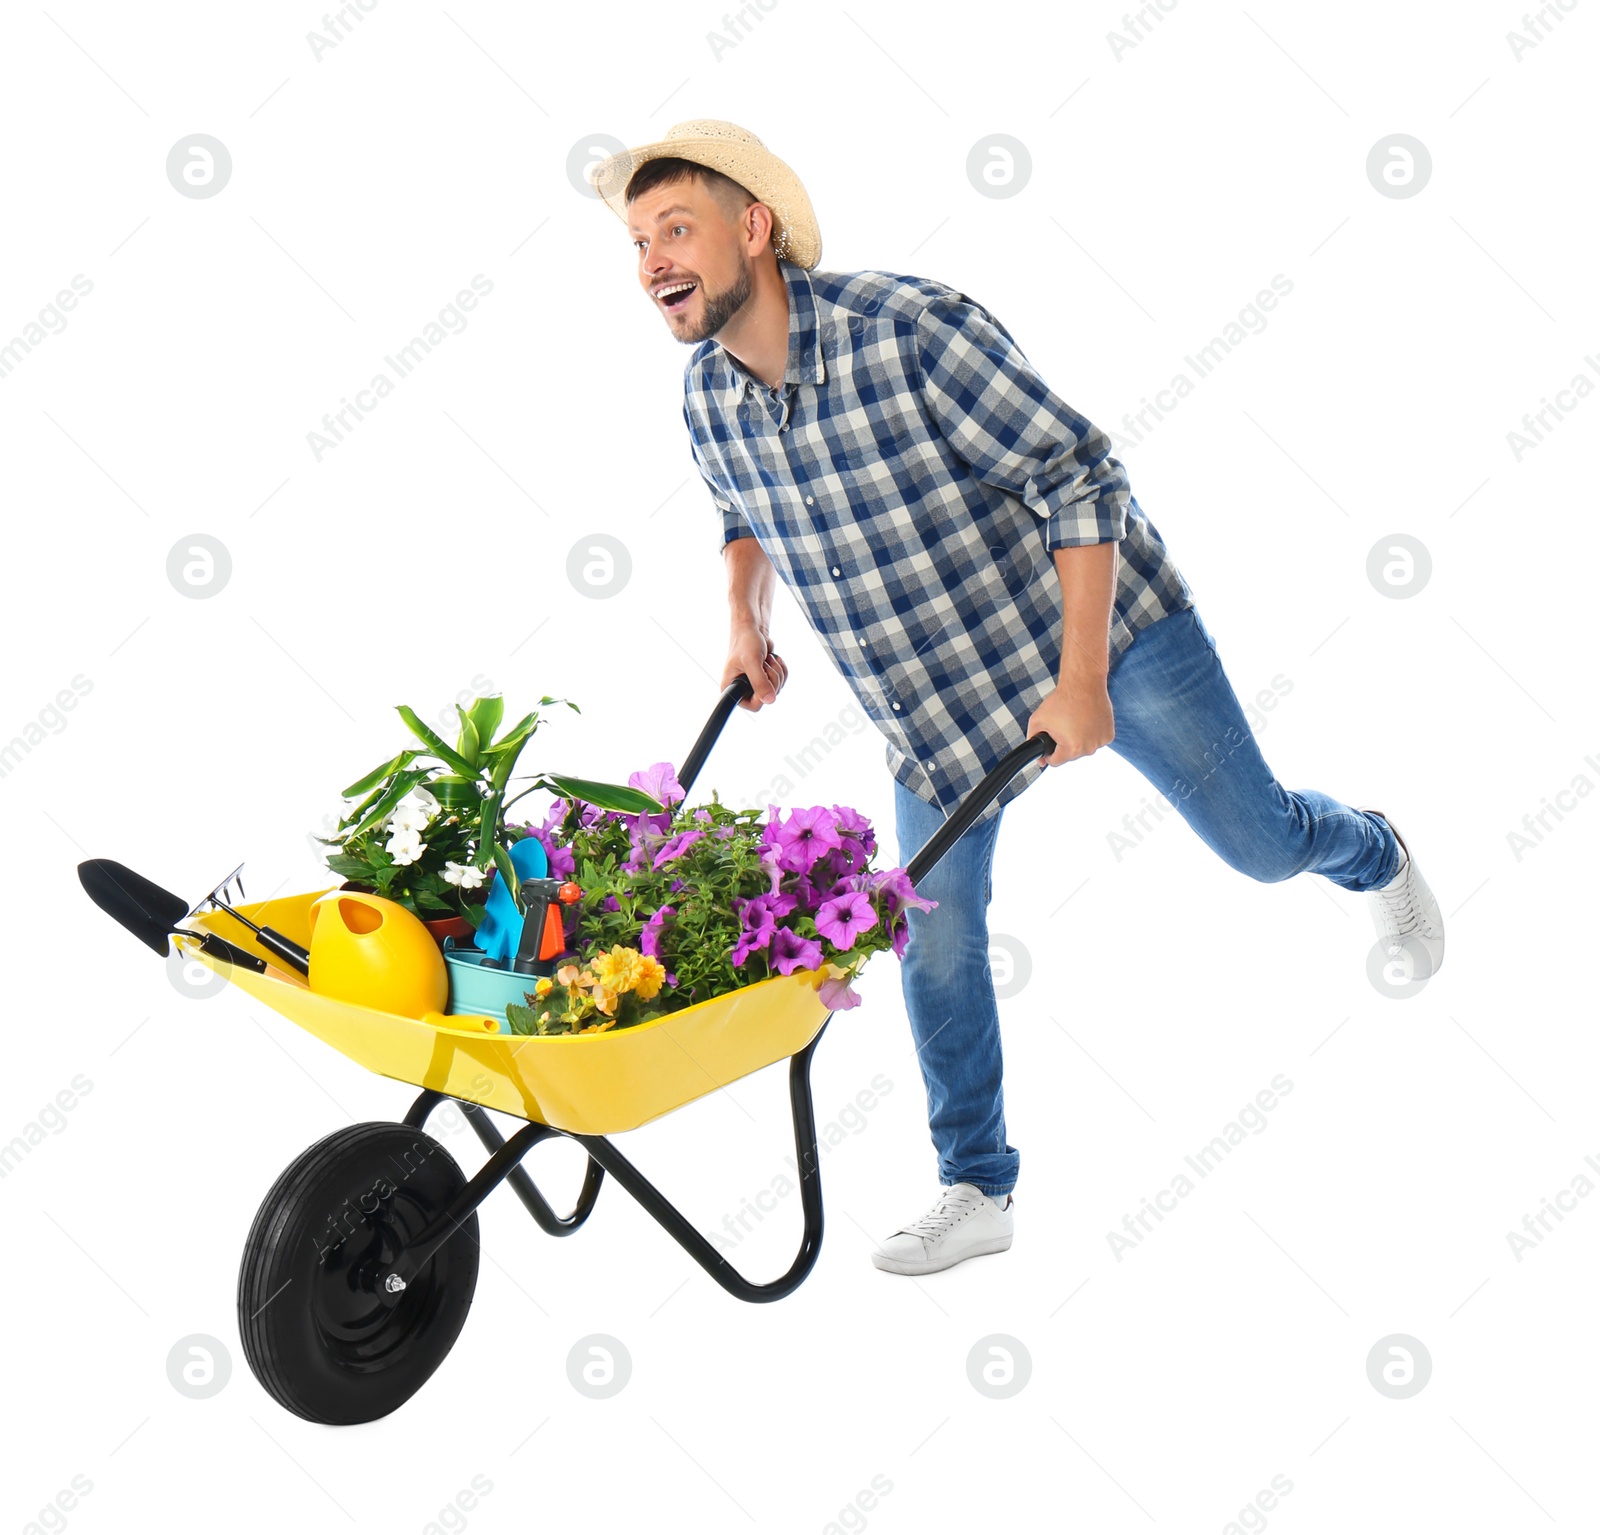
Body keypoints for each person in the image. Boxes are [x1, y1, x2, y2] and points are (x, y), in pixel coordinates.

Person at [587, 121, 1445, 1278]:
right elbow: (741, 514)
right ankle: (975, 1183)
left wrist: (1081, 679)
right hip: (930, 707)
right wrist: (747, 622)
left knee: (1258, 842)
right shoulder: (705, 397)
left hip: (1098, 642)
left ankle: (1371, 851)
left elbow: (1077, 473)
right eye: (638, 242)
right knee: (931, 949)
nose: (650, 261)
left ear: (754, 229)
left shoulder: (910, 331)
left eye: (674, 228)